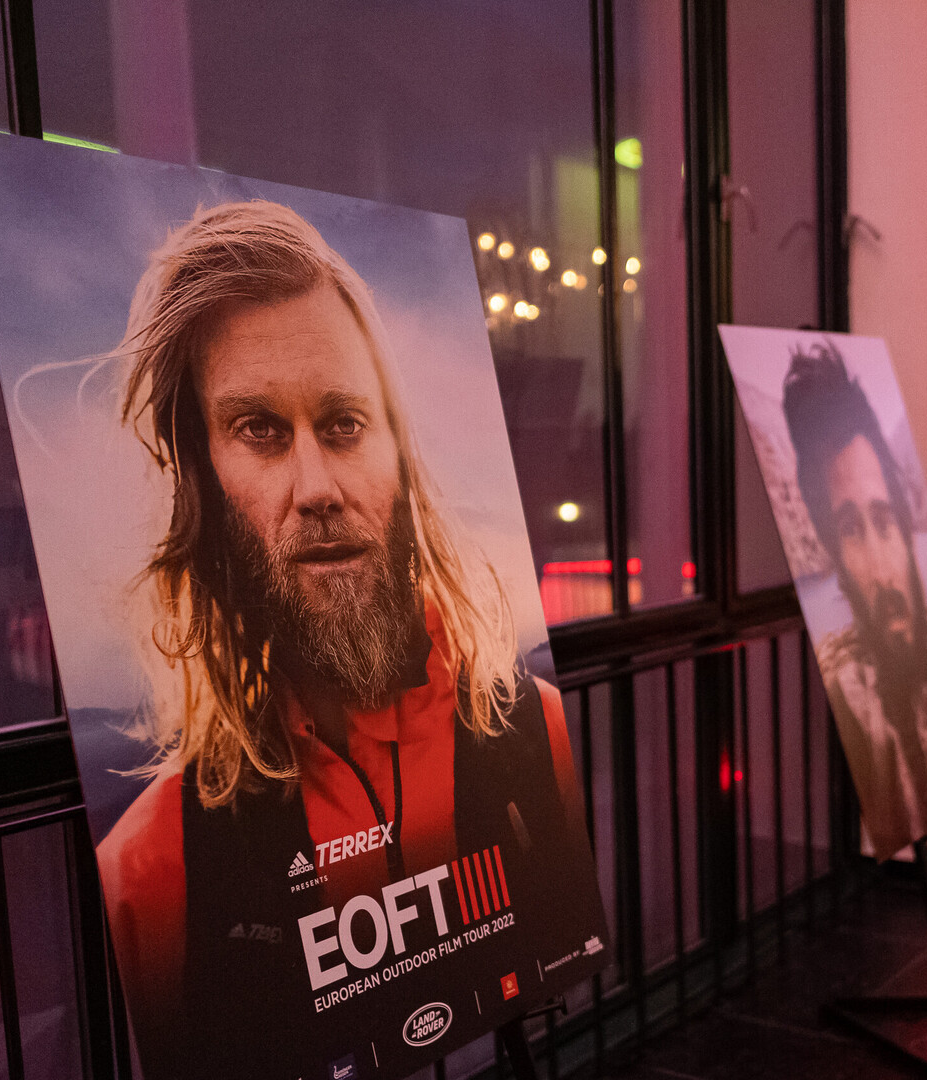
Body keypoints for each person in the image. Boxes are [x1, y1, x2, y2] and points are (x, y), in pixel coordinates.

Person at [91, 201, 593, 1079]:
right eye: (258, 430)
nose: (317, 486)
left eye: (344, 424)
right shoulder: (152, 865)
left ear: (397, 452)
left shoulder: (530, 727)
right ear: (202, 479)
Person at [780, 341, 927, 855]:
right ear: (832, 550)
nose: (883, 572)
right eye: (851, 531)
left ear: (905, 528)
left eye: (884, 522)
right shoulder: (850, 699)